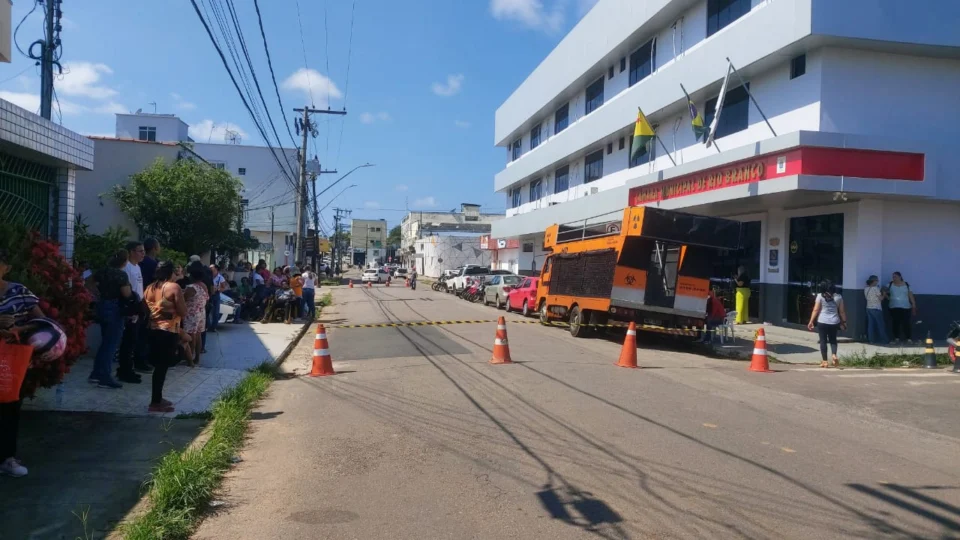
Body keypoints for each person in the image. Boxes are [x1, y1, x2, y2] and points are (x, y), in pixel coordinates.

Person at [0, 248, 67, 477]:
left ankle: (7, 458)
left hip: (11, 360)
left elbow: (42, 321)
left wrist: (20, 328)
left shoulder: (19, 291)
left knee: (9, 408)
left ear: (7, 267)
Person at [144, 261, 186, 413]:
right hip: (167, 332)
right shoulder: (174, 287)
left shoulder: (149, 288)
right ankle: (155, 402)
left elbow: (146, 308)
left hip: (152, 330)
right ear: (170, 273)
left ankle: (157, 398)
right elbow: (183, 312)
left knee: (159, 367)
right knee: (164, 366)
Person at [92, 249, 132, 389]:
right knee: (111, 343)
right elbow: (126, 294)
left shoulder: (102, 271)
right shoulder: (121, 275)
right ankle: (104, 376)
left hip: (101, 306)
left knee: (105, 342)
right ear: (125, 261)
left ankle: (96, 373)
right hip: (115, 308)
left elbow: (88, 284)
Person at [119, 241, 151, 381]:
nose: (143, 254)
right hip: (130, 308)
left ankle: (131, 367)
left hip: (138, 306)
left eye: (143, 251)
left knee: (134, 339)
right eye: (140, 251)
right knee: (128, 341)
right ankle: (124, 371)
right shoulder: (126, 267)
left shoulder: (137, 267)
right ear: (131, 252)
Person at [808, 281, 846, 368]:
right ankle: (834, 355)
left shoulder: (820, 296)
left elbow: (816, 310)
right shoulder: (839, 297)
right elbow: (842, 311)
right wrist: (844, 322)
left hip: (822, 321)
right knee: (833, 340)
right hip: (834, 322)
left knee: (823, 341)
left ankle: (825, 361)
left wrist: (811, 321)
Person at [182, 266, 209, 367]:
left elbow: (184, 299)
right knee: (198, 335)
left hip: (191, 313)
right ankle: (197, 357)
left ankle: (190, 359)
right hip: (201, 312)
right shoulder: (204, 286)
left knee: (191, 335)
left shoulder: (191, 287)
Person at [887, 271, 917, 344]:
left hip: (905, 307)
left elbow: (910, 294)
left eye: (895, 277)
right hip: (894, 306)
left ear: (900, 277)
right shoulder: (890, 284)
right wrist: (888, 298)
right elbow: (884, 292)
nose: (894, 278)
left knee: (906, 323)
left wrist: (913, 304)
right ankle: (896, 338)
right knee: (895, 323)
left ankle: (908, 338)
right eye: (893, 277)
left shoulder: (906, 285)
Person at [864, 275, 888, 344]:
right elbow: (881, 298)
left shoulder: (866, 289)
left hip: (868, 308)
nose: (877, 282)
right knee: (880, 324)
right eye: (877, 280)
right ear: (874, 281)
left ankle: (871, 340)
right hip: (876, 308)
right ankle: (884, 340)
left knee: (870, 325)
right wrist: (884, 294)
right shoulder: (875, 289)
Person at [208, 264, 226, 334]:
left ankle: (214, 327)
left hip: (216, 294)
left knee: (216, 311)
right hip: (209, 294)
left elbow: (223, 287)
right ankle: (208, 326)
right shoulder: (208, 276)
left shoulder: (220, 277)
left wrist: (218, 289)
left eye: (211, 268)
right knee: (208, 311)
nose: (210, 269)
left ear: (216, 269)